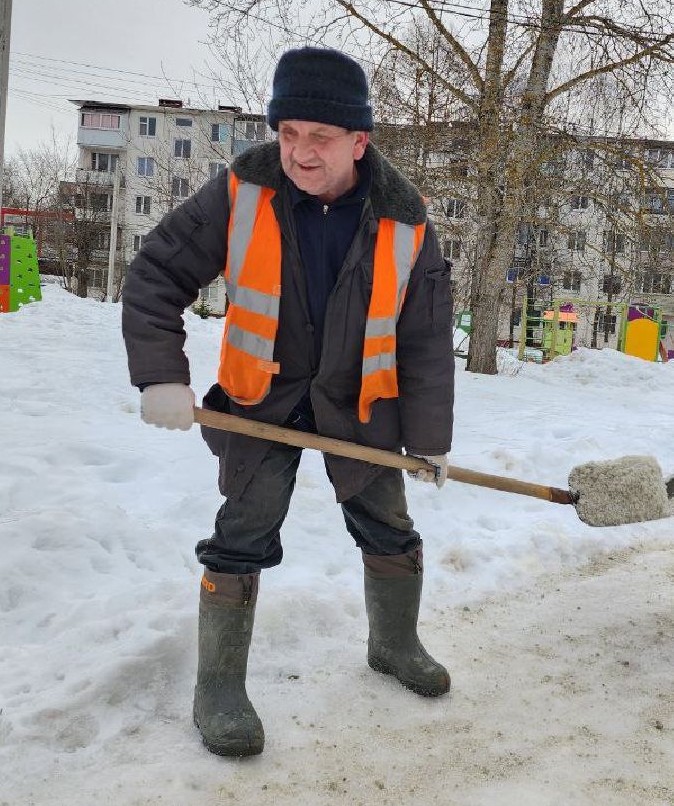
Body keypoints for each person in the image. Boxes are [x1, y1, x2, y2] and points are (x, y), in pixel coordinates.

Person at [122, 46, 456, 757]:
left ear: (359, 141)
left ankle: (395, 646)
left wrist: (429, 437)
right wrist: (160, 376)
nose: (300, 152)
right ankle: (219, 688)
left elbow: (426, 338)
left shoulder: (405, 220)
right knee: (242, 532)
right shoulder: (243, 191)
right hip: (262, 400)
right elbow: (156, 275)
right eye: (289, 133)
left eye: (321, 138)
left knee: (390, 528)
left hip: (356, 409)